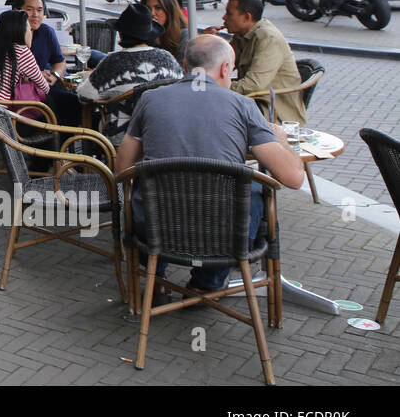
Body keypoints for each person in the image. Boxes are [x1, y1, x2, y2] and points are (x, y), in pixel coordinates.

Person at [117, 34, 304, 295]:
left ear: (184, 66)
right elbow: (294, 178)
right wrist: (282, 140)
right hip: (225, 236)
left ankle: (155, 279)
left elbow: (123, 167)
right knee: (254, 193)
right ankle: (207, 284)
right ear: (226, 68)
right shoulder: (243, 106)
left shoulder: (150, 99)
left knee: (145, 191)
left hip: (155, 229)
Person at [76, 5, 184, 142]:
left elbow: (84, 96)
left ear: (121, 33)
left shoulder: (113, 61)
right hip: (167, 135)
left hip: (124, 139)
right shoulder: (167, 58)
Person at [203, 0, 307, 125]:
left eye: (229, 13)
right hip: (251, 101)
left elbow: (253, 84)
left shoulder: (268, 38)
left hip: (272, 110)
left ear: (247, 17)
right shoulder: (241, 34)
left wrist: (214, 89)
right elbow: (220, 67)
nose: (223, 18)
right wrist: (210, 43)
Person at [0, 10, 49, 126]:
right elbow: (45, 88)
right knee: (47, 113)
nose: (31, 32)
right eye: (28, 28)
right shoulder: (22, 52)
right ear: (19, 31)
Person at [142, 0, 189, 67]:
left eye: (158, 8)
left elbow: (182, 74)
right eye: (147, 8)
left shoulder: (185, 37)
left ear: (170, 10)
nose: (152, 13)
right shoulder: (142, 33)